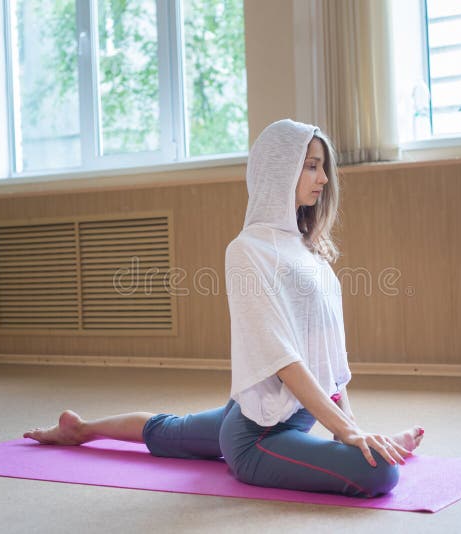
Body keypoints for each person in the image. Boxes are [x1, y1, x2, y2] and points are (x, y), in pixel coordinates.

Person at [24, 119, 424, 498]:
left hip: (273, 408)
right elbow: (283, 359)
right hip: (256, 437)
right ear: (279, 169)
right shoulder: (248, 250)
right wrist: (351, 436)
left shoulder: (309, 251)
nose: (323, 178)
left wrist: (350, 431)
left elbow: (330, 360)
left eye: (322, 168)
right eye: (311, 167)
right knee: (381, 474)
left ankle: (80, 430)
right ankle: (83, 432)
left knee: (171, 432)